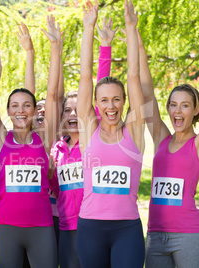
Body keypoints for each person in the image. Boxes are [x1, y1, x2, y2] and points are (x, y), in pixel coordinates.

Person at [0, 12, 61, 267]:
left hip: (41, 228)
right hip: (6, 229)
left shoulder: (44, 139)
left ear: (35, 110)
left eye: (27, 106)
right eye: (14, 106)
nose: (20, 110)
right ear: (6, 111)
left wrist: (46, 49)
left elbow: (49, 94)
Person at [138, 26, 199, 267]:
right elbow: (146, 93)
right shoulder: (161, 138)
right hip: (155, 236)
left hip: (189, 236)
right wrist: (138, 41)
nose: (177, 110)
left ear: (195, 110)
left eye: (185, 105)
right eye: (173, 105)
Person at [75, 1, 146, 267]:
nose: (111, 106)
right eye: (104, 101)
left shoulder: (134, 132)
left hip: (127, 229)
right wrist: (88, 27)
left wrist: (130, 28)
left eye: (116, 100)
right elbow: (84, 77)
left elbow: (134, 76)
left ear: (124, 102)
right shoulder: (89, 129)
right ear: (96, 104)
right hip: (90, 227)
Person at [50, 16, 117, 268]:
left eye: (78, 109)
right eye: (68, 110)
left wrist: (105, 47)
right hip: (67, 227)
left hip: (97, 224)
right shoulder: (57, 149)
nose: (73, 115)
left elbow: (99, 82)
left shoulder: (94, 138)